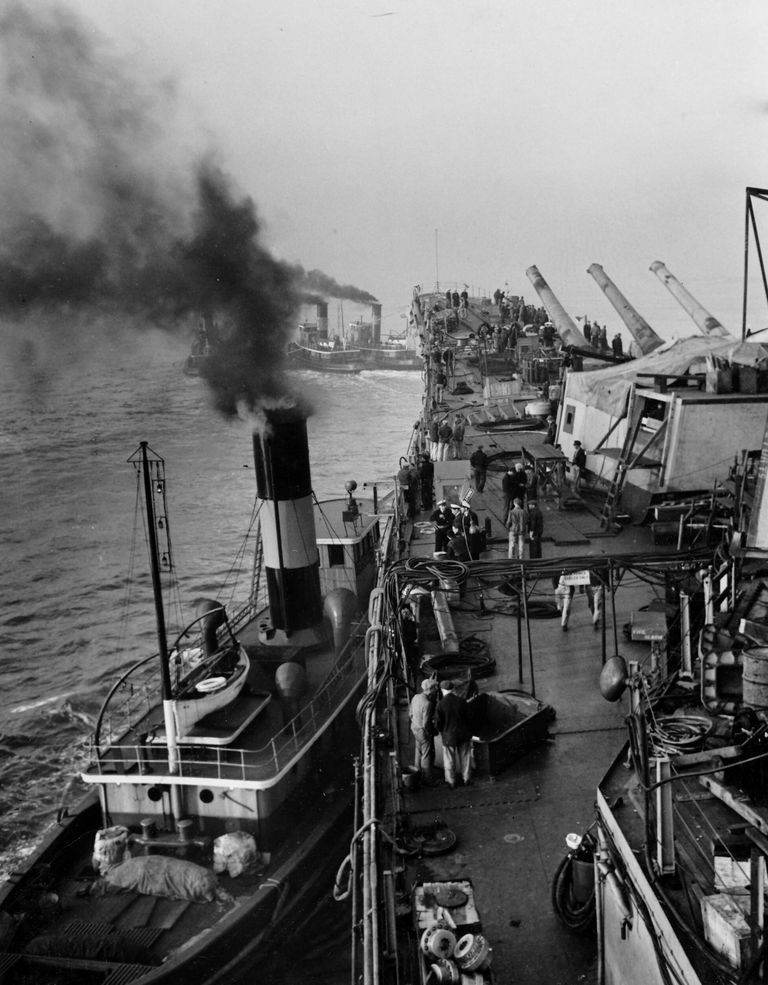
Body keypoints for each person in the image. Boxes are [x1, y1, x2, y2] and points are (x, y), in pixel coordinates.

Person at [434, 680, 472, 788]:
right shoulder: (461, 701)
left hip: (449, 737)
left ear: (442, 690)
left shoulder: (440, 705)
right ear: (453, 689)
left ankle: (451, 782)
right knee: (465, 757)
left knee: (449, 760)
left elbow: (437, 723)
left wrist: (442, 730)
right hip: (463, 734)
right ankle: (466, 779)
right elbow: (469, 718)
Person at [409, 678, 439, 784]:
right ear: (430, 689)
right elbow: (426, 723)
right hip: (422, 731)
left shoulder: (416, 697)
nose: (436, 689)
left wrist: (416, 723)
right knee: (426, 755)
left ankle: (417, 772)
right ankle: (427, 779)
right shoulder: (427, 703)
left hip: (414, 728)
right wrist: (432, 732)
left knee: (418, 751)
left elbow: (410, 713)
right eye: (434, 688)